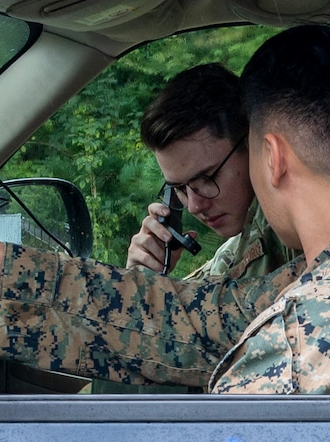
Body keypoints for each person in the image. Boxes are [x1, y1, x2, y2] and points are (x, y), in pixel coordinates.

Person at [0, 23, 330, 395]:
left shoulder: (317, 330)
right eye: (179, 188)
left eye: (211, 175)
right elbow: (189, 320)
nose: (194, 202)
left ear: (270, 157)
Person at [122, 63, 297, 282]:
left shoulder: (302, 233)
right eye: (179, 188)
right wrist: (143, 284)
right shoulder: (232, 257)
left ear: (254, 146)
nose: (194, 206)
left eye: (207, 179)